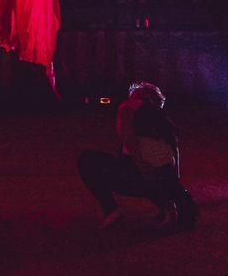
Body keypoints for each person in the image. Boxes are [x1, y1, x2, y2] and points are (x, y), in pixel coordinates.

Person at [77, 80, 198, 231]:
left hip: (137, 175)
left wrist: (143, 167)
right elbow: (175, 153)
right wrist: (174, 183)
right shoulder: (164, 122)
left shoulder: (128, 108)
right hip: (158, 178)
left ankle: (112, 209)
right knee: (160, 174)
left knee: (87, 160)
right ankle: (167, 206)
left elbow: (129, 139)